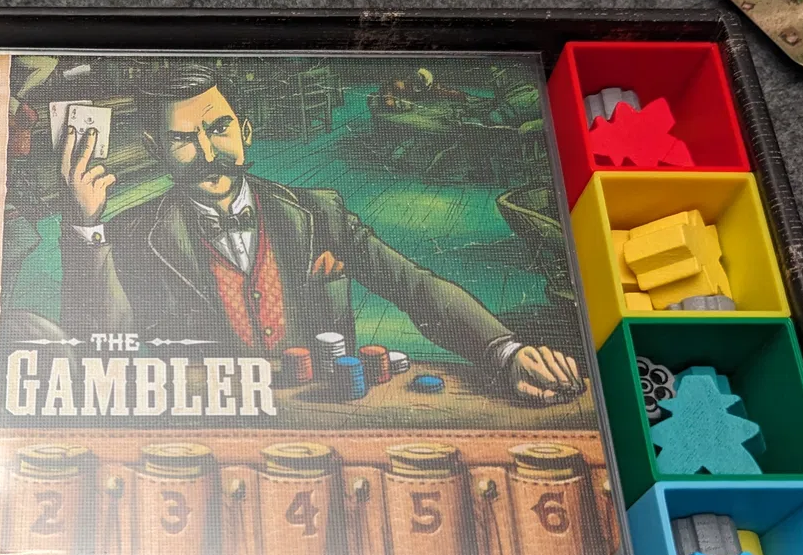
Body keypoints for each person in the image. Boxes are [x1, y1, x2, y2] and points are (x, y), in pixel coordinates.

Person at [56, 64, 582, 403]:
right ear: (156, 150)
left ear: (245, 130)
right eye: (183, 139)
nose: (209, 152)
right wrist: (86, 225)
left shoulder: (316, 213)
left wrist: (504, 352)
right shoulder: (126, 234)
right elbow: (104, 347)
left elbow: (413, 285)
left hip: (325, 412)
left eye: (218, 129)